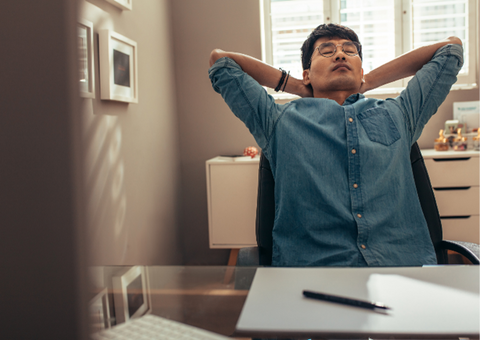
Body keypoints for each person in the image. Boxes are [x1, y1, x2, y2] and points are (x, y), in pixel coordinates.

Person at [208, 23, 463, 267]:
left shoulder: (400, 113)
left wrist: (369, 80)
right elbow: (221, 61)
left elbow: (451, 49)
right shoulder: (278, 121)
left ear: (361, 69)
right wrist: (296, 85)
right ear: (307, 73)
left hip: (402, 268)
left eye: (350, 50)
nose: (340, 54)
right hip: (313, 272)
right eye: (327, 50)